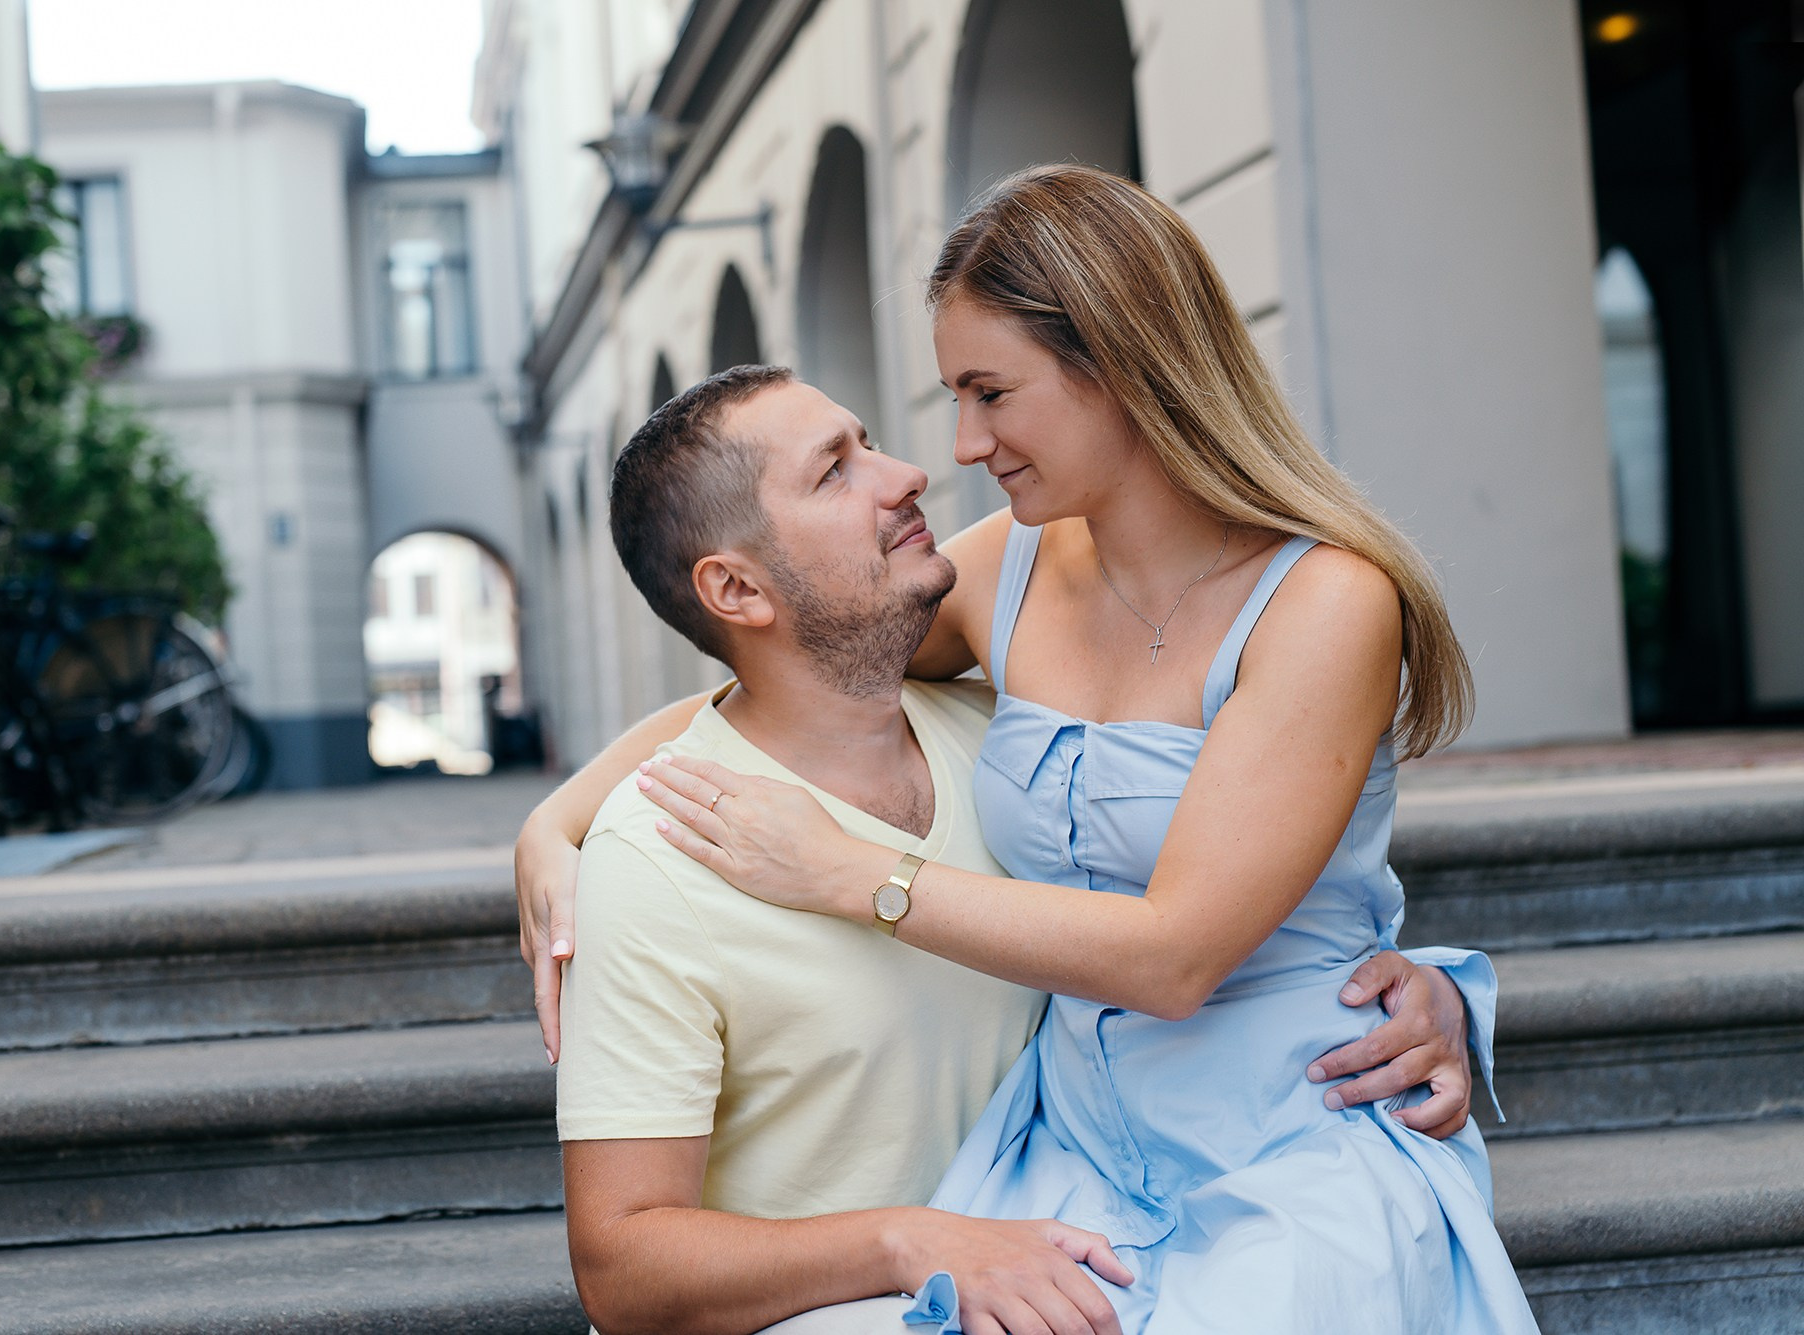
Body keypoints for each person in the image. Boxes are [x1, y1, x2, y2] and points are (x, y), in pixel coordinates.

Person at [627, 167, 1538, 1332]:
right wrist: (558, 826)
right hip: (1070, 1147)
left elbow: (1172, 959)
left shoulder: (1325, 603)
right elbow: (790, 670)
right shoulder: (1008, 569)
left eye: (989, 393)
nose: (963, 443)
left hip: (1294, 1135)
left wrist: (850, 874)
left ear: (1118, 363)